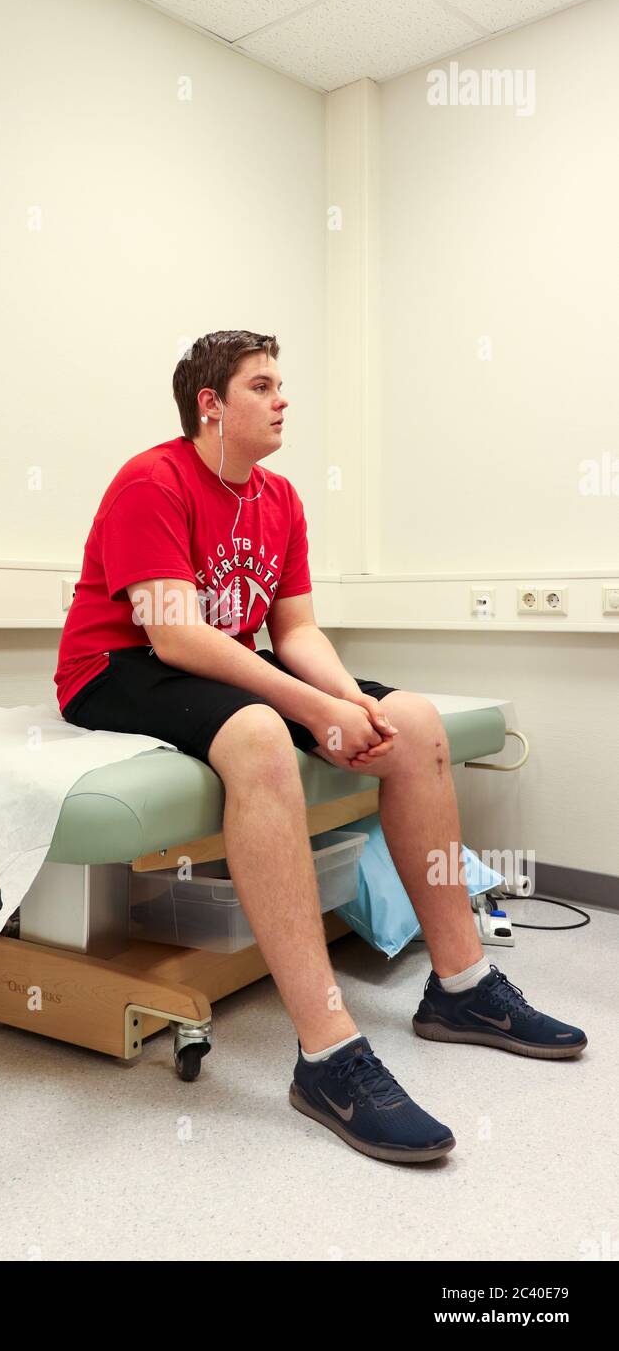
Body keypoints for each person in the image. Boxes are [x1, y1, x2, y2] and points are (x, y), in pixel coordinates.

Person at [55, 329, 587, 1165]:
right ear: (210, 404)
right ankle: (328, 1054)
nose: (282, 400)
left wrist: (345, 704)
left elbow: (293, 629)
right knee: (263, 732)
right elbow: (175, 637)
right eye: (262, 386)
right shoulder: (151, 480)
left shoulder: (280, 498)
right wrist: (308, 709)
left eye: (280, 385)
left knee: (410, 722)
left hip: (209, 655)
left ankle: (463, 987)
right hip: (117, 665)